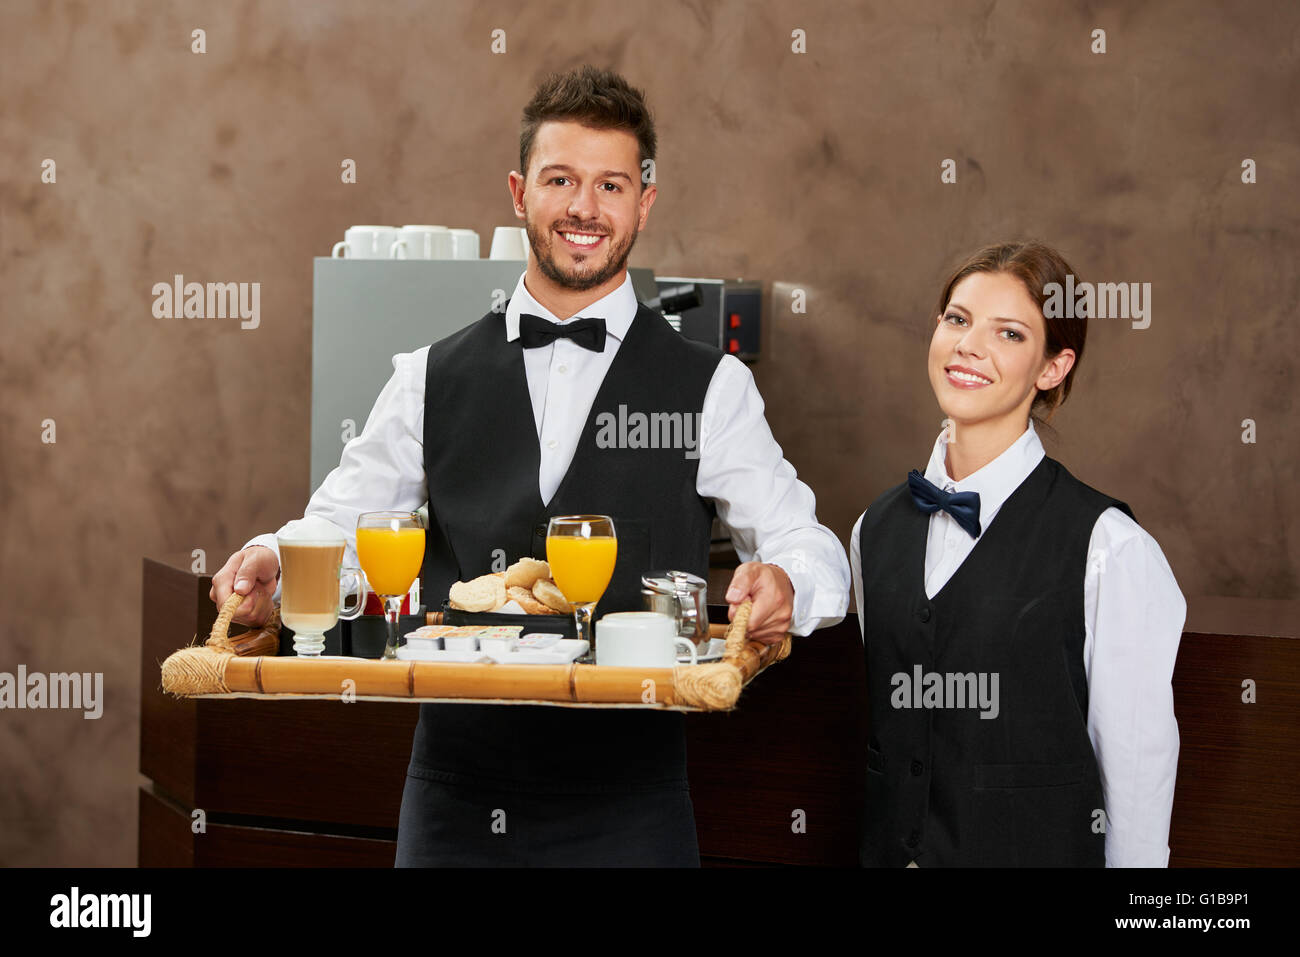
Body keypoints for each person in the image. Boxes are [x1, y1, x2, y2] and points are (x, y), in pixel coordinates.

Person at [210, 65, 850, 866]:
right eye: (561, 180)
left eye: (611, 184)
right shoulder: (426, 376)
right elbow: (341, 520)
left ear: (643, 203)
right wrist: (276, 557)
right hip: (455, 803)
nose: (585, 208)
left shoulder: (711, 387)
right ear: (519, 192)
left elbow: (803, 540)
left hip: (632, 812)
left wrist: (790, 581)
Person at [851, 240, 1184, 867]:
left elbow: (1137, 771)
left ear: (1053, 368)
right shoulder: (873, 529)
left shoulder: (1110, 547)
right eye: (957, 319)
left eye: (1008, 333)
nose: (969, 346)